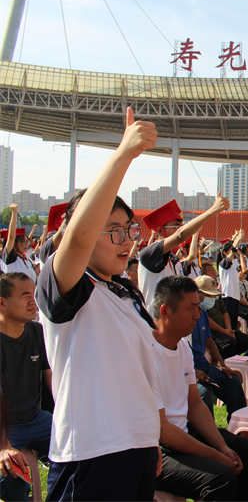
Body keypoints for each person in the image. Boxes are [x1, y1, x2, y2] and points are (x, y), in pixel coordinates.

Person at [34, 107, 164, 500]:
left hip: (136, 449)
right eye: (112, 231)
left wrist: (149, 437)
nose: (125, 241)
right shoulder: (66, 287)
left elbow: (138, 376)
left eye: (128, 229)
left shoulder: (123, 292)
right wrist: (123, 156)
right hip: (91, 456)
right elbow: (77, 240)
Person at [150, 276, 248, 501]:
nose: (198, 315)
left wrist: (223, 447)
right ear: (165, 311)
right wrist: (215, 455)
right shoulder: (146, 352)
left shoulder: (182, 347)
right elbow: (163, 431)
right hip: (156, 449)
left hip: (184, 432)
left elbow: (195, 404)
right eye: (192, 308)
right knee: (220, 479)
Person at [0, 273, 52, 501]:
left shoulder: (36, 331)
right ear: (2, 303)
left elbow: (50, 377)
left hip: (36, 419)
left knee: (79, 448)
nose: (33, 301)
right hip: (6, 428)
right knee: (12, 475)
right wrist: (3, 446)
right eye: (24, 296)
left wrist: (69, 417)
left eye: (33, 294)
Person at [139, 195, 230, 307]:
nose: (180, 228)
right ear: (160, 230)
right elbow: (180, 235)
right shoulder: (150, 254)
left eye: (181, 225)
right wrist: (213, 210)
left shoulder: (173, 261)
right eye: (176, 225)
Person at [189, 275, 247, 418]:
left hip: (205, 366)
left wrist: (222, 364)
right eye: (209, 296)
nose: (211, 300)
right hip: (190, 371)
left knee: (233, 382)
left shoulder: (203, 314)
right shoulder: (186, 316)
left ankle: (236, 423)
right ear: (198, 293)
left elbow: (209, 341)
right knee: (203, 394)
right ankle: (208, 431)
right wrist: (193, 372)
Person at [2, 205, 36, 281]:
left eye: (25, 241)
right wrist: (14, 212)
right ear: (14, 243)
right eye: (22, 241)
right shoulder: (10, 258)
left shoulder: (26, 259)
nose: (25, 244)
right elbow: (11, 237)